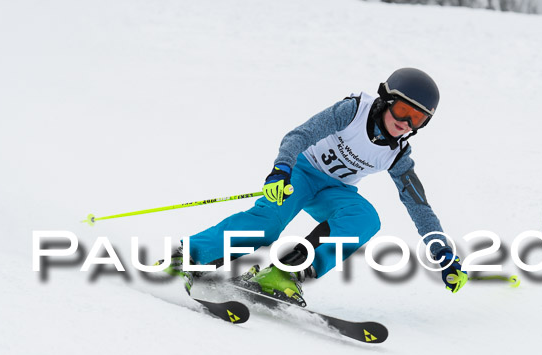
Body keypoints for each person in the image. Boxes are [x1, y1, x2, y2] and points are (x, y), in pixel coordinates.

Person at [161, 68, 468, 304]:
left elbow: (418, 205)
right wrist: (281, 169)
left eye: (417, 119)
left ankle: (285, 272)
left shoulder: (399, 153)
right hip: (301, 174)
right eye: (403, 111)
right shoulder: (354, 110)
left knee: (364, 220)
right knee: (268, 224)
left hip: (335, 190)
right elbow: (299, 135)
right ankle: (187, 256)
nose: (406, 123)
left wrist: (441, 251)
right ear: (386, 100)